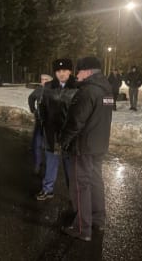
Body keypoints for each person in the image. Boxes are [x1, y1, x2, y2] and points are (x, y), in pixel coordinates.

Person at [60, 56, 113, 242]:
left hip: (83, 146)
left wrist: (63, 141)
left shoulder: (87, 92)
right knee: (96, 181)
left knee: (80, 186)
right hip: (99, 145)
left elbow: (75, 121)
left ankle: (82, 228)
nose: (77, 74)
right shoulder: (106, 90)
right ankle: (98, 219)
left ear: (89, 71)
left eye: (80, 71)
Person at [36, 59, 77, 201]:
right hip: (51, 132)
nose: (62, 74)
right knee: (51, 162)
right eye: (58, 71)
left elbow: (80, 112)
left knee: (70, 166)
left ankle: (74, 194)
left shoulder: (77, 87)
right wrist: (43, 121)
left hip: (69, 134)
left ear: (70, 71)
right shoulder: (48, 86)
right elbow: (42, 107)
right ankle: (48, 189)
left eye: (65, 70)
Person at [28, 74, 53, 174]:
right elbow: (31, 98)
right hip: (40, 121)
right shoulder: (39, 90)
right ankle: (38, 164)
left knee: (49, 146)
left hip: (51, 123)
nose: (44, 81)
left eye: (46, 79)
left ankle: (48, 166)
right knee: (37, 143)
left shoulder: (54, 90)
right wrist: (33, 109)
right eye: (42, 79)